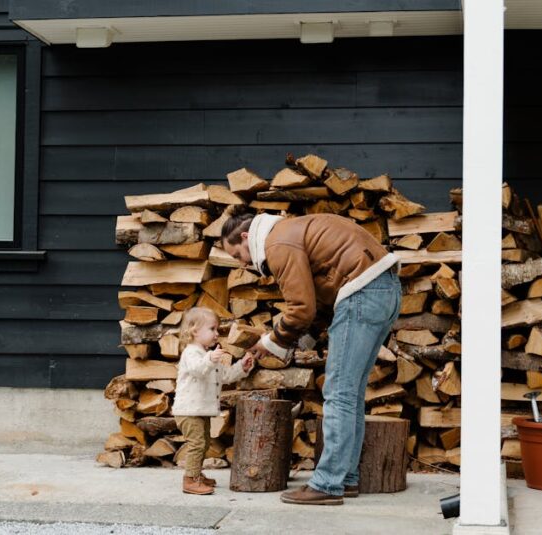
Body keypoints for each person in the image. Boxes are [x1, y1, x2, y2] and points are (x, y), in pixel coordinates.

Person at [220, 206, 401, 505]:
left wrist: (272, 341)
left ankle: (327, 484)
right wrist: (297, 341)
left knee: (339, 393)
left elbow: (301, 308)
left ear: (245, 236)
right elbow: (317, 305)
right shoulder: (291, 231)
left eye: (238, 255)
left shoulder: (276, 243)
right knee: (350, 393)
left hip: (363, 291)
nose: (244, 264)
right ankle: (346, 479)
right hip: (384, 290)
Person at [172, 307, 256, 495]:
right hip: (188, 411)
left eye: (217, 329)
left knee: (205, 443)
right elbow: (197, 370)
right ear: (195, 331)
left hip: (201, 410)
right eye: (212, 329)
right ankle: (190, 480)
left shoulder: (208, 355)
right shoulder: (191, 353)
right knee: (197, 444)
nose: (217, 334)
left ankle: (197, 475)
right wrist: (210, 359)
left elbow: (224, 376)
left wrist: (241, 367)